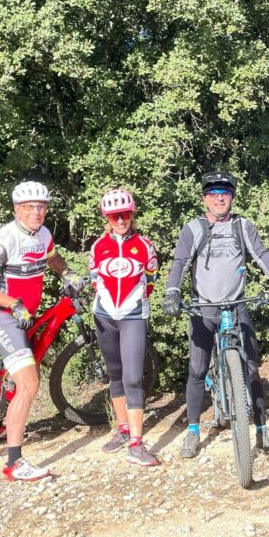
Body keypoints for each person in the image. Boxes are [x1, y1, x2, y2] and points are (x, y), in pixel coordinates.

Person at [161, 171, 269, 458]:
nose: (219, 197)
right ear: (204, 199)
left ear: (232, 197)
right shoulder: (194, 229)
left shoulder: (242, 226)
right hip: (203, 307)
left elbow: (262, 254)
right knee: (196, 371)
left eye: (224, 192)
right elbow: (181, 262)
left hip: (237, 304)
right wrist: (172, 291)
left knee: (251, 369)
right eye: (213, 193)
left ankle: (260, 429)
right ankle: (193, 431)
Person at [0, 181, 87, 481]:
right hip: (6, 318)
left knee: (17, 379)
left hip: (26, 316)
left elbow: (51, 258)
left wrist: (67, 273)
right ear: (16, 209)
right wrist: (13, 304)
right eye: (29, 207)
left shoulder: (43, 235)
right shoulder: (5, 239)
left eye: (41, 207)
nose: (36, 212)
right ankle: (14, 462)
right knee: (29, 384)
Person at [89, 188, 160, 466]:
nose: (121, 221)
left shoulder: (144, 244)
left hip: (133, 316)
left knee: (133, 377)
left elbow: (151, 275)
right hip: (104, 316)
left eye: (126, 215)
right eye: (115, 216)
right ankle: (123, 429)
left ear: (132, 215)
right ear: (107, 217)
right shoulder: (98, 246)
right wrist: (107, 303)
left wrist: (139, 299)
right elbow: (95, 277)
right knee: (115, 375)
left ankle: (137, 443)